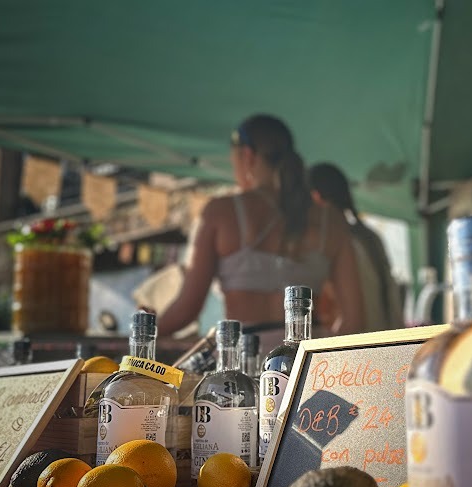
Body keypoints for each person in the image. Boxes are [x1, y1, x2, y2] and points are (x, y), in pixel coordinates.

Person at [156, 115, 364, 350]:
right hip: (308, 360)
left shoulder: (221, 212)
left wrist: (142, 337)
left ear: (247, 156)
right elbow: (354, 321)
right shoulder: (331, 221)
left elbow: (186, 310)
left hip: (245, 359)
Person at [308, 163, 403, 332]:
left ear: (316, 198)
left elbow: (352, 321)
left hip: (362, 350)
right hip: (391, 342)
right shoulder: (370, 237)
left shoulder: (342, 244)